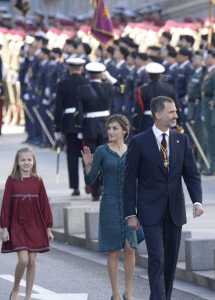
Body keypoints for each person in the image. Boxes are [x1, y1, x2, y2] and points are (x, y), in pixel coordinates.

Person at [123, 96, 204, 300]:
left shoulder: (181, 140)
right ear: (158, 115)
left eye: (175, 111)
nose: (176, 115)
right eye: (171, 112)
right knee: (157, 258)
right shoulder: (139, 142)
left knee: (170, 260)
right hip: (150, 211)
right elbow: (129, 181)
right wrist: (130, 213)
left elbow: (192, 174)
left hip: (174, 210)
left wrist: (197, 201)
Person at [81, 114, 144, 300]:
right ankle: (116, 293)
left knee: (131, 248)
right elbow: (90, 180)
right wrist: (87, 166)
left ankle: (128, 292)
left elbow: (139, 179)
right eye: (109, 128)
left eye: (115, 128)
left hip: (129, 205)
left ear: (124, 130)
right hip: (109, 203)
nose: (110, 132)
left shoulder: (133, 149)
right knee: (114, 251)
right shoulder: (101, 151)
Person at [0, 147, 54, 300]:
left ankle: (28, 296)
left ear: (33, 161)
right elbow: (6, 205)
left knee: (32, 261)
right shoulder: (11, 180)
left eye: (29, 160)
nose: (26, 163)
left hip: (35, 224)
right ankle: (16, 288)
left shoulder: (38, 180)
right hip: (17, 224)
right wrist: (5, 228)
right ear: (17, 162)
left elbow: (44, 205)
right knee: (23, 259)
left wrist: (48, 228)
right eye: (23, 160)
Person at [75, 62, 122, 201]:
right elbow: (122, 88)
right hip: (107, 127)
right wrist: (110, 78)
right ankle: (107, 188)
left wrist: (79, 127)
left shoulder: (82, 90)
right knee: (108, 158)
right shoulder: (108, 87)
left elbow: (79, 111)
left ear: (88, 75)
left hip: (89, 127)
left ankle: (95, 192)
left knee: (92, 160)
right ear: (102, 75)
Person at [54, 57, 88, 196]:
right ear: (81, 69)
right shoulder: (87, 83)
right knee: (87, 155)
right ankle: (89, 183)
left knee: (72, 156)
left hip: (68, 123)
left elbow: (58, 107)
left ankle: (75, 187)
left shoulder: (62, 84)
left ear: (69, 69)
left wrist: (57, 127)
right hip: (84, 123)